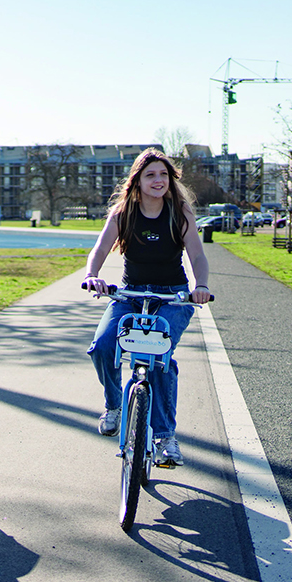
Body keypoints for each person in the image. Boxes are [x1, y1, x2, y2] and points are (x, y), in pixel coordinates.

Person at [81, 148, 211, 467]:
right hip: (131, 293)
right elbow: (99, 249)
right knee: (102, 346)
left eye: (163, 174)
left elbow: (196, 255)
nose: (158, 180)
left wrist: (201, 286)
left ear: (171, 180)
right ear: (137, 181)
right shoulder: (123, 213)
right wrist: (92, 275)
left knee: (158, 358)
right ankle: (113, 406)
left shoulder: (179, 212)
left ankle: (165, 437)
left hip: (172, 296)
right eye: (150, 174)